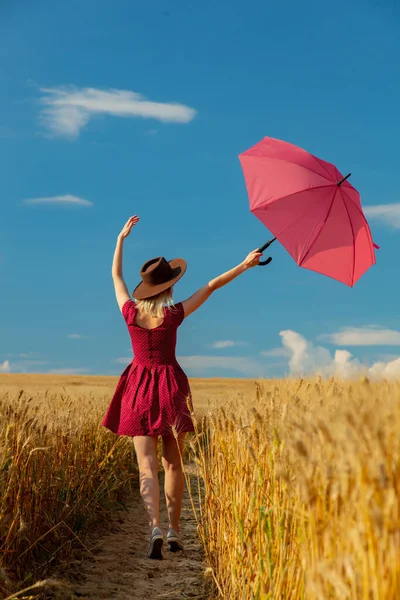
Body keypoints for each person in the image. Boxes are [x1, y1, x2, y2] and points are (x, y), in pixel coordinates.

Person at [101, 215, 263, 559]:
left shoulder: (130, 312)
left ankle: (155, 528)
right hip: (171, 387)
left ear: (145, 287)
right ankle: (174, 531)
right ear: (169, 287)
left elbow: (115, 276)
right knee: (173, 464)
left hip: (137, 389)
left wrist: (121, 239)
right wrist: (245, 265)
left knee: (146, 466)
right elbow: (212, 285)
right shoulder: (174, 314)